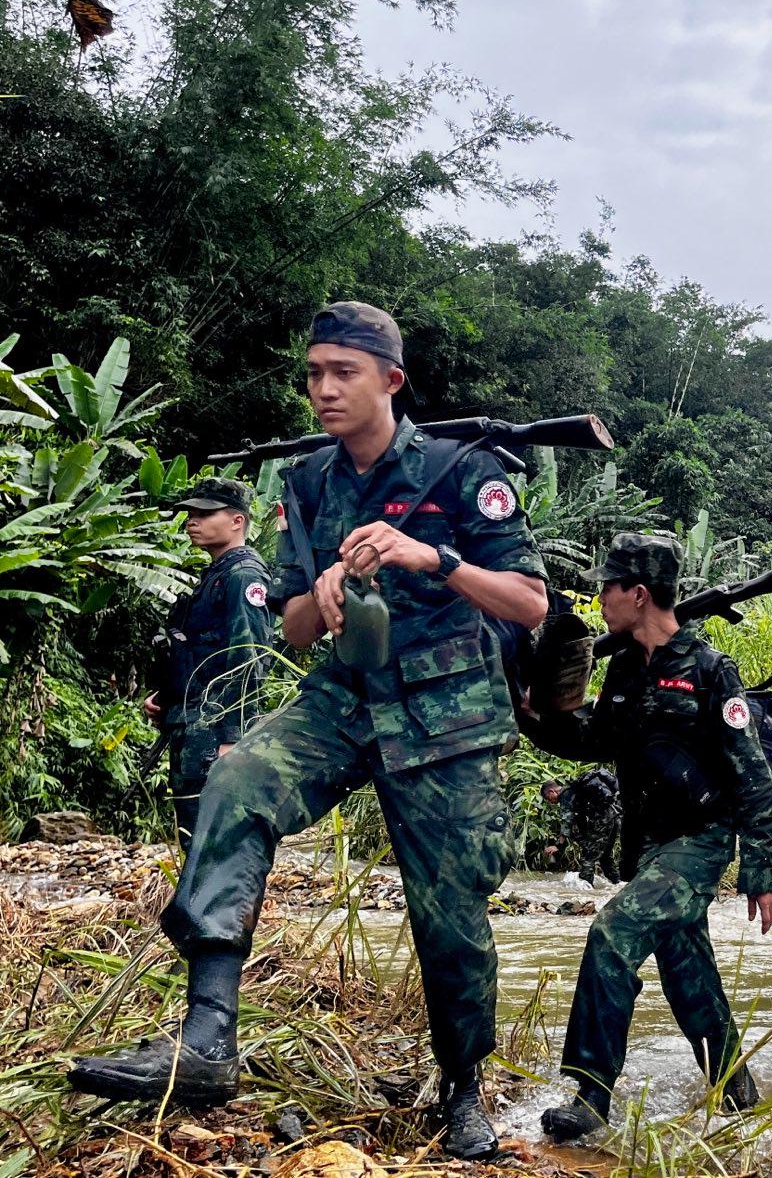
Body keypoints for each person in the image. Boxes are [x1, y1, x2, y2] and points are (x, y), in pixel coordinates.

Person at [69, 302, 549, 1160]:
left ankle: (462, 1086)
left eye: (343, 373)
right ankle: (209, 1034)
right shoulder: (308, 482)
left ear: (390, 381)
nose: (322, 390)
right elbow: (288, 625)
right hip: (344, 697)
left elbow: (532, 602)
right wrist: (318, 596)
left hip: (447, 717)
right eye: (314, 373)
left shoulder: (463, 469)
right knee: (240, 777)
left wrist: (428, 557)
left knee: (450, 917)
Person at [534, 534, 772, 1142]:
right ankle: (738, 1099)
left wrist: (765, 870)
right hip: (649, 848)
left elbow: (751, 772)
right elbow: (591, 741)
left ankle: (590, 1096)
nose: (599, 599)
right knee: (688, 975)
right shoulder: (623, 668)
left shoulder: (708, 670)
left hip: (699, 842)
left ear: (638, 593)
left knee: (612, 934)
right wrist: (532, 713)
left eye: (607, 587)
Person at [145, 478, 273, 851]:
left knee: (213, 839)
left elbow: (248, 658)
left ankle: (214, 910)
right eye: (190, 514)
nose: (192, 521)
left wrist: (233, 738)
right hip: (192, 721)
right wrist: (166, 700)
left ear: (237, 521)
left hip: (215, 730)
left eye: (205, 513)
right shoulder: (215, 575)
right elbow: (198, 654)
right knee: (193, 834)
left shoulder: (242, 576)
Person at [540, 769, 623, 885]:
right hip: (615, 817)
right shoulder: (576, 791)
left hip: (603, 821)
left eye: (548, 798)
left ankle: (585, 893)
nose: (550, 802)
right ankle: (619, 884)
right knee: (605, 858)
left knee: (588, 858)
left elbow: (566, 821)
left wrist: (558, 845)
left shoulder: (565, 795)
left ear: (551, 791)